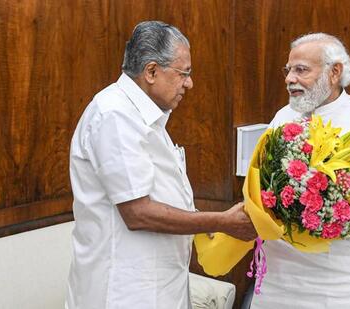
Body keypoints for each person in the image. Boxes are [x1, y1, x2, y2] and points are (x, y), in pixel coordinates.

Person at [66, 21, 256, 309]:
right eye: (184, 73)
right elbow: (138, 213)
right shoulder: (114, 115)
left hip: (159, 287)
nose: (189, 83)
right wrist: (221, 222)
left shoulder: (145, 116)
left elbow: (162, 195)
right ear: (151, 71)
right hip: (123, 292)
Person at [249, 33, 350, 308]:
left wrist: (332, 221)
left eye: (301, 70)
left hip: (343, 291)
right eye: (288, 70)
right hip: (278, 287)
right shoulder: (281, 118)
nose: (290, 79)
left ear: (334, 72)